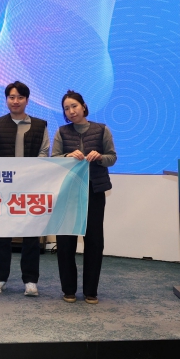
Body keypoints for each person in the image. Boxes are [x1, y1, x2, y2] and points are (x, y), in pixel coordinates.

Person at [52, 90, 117, 304]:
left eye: (74, 106)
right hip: (68, 193)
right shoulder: (62, 132)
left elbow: (112, 157)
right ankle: (68, 289)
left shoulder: (101, 130)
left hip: (94, 191)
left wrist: (100, 157)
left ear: (84, 106)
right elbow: (54, 160)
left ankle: (91, 291)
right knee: (65, 242)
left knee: (94, 241)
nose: (71, 111)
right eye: (66, 108)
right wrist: (67, 156)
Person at [0, 81, 49, 297]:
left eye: (20, 97)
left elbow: (44, 153)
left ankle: (30, 281)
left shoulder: (40, 125)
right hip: (4, 188)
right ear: (6, 100)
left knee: (31, 236)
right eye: (12, 97)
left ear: (27, 100)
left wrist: (30, 174)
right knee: (2, 235)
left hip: (31, 188)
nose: (16, 101)